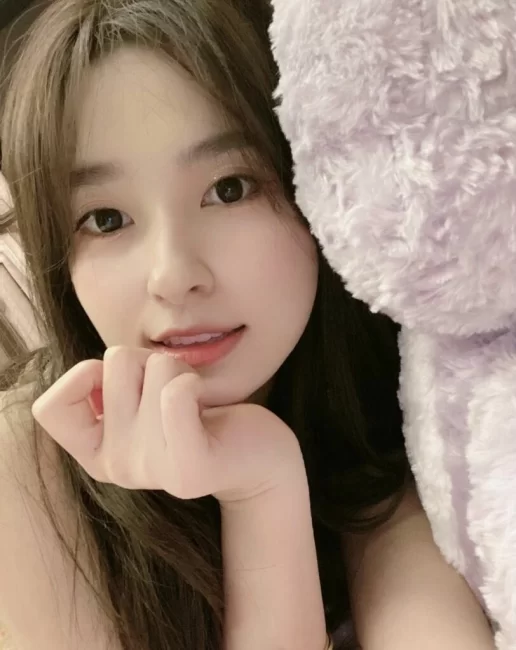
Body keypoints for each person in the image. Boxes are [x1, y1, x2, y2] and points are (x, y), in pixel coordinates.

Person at [0, 1, 496, 649]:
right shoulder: (25, 474)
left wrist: (262, 478)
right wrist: (259, 491)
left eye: (230, 188)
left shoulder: (406, 400)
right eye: (106, 219)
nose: (172, 275)